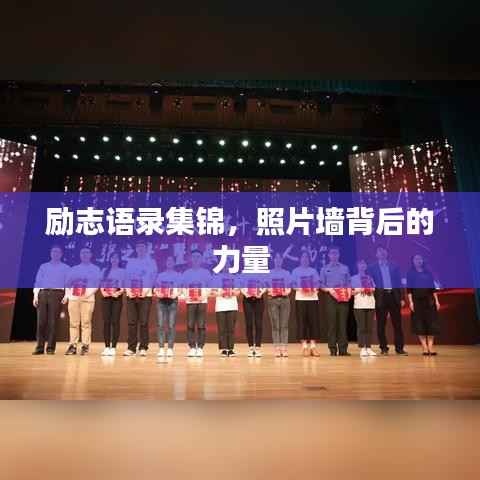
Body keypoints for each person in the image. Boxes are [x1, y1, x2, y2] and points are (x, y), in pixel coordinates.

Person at [368, 246, 408, 355]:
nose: (382, 253)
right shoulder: (371, 268)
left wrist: (402, 298)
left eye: (383, 251)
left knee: (397, 324)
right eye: (379, 251)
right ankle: (383, 348)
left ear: (387, 253)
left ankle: (399, 348)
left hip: (394, 297)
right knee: (381, 324)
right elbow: (369, 284)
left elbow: (399, 283)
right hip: (381, 297)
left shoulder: (394, 266)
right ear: (376, 254)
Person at [32, 245, 70, 355]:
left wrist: (67, 295)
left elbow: (68, 283)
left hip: (57, 294)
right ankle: (39, 347)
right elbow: (38, 281)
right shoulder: (44, 266)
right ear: (50, 253)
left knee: (53, 322)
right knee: (41, 322)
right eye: (53, 251)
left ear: (61, 254)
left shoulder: (66, 268)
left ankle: (50, 348)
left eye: (57, 252)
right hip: (43, 293)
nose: (55, 253)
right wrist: (35, 295)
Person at [123, 241, 157, 357]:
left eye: (143, 246)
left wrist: (145, 291)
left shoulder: (151, 262)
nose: (140, 249)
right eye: (138, 246)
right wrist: (129, 291)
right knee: (132, 322)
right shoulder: (131, 262)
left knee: (143, 322)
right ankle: (131, 348)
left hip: (145, 295)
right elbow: (127, 278)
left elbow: (152, 279)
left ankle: (143, 347)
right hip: (131, 295)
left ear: (146, 248)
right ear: (136, 249)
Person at [65, 247, 101, 355]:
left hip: (88, 299)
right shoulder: (74, 269)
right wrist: (67, 295)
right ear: (80, 255)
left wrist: (87, 294)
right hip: (74, 299)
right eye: (82, 252)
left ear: (91, 255)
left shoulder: (95, 269)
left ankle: (85, 345)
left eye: (87, 252)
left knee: (86, 323)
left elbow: (96, 285)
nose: (85, 254)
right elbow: (67, 284)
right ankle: (73, 345)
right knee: (73, 323)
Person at [320, 246, 352, 356]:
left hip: (343, 297)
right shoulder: (324, 269)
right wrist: (330, 290)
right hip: (331, 298)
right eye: (332, 253)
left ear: (339, 255)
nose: (334, 255)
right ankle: (332, 349)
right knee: (332, 324)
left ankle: (343, 349)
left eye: (336, 253)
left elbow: (349, 283)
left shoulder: (345, 268)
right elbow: (321, 284)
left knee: (342, 324)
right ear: (329, 255)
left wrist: (348, 292)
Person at [407, 254, 441, 355]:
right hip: (417, 302)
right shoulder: (410, 274)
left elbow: (433, 288)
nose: (418, 260)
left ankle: (431, 347)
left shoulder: (428, 272)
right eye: (416, 259)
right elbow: (409, 290)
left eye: (420, 259)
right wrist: (411, 302)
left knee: (431, 324)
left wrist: (437, 301)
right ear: (413, 261)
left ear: (423, 260)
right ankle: (424, 347)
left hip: (429, 301)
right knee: (419, 324)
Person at [181, 249, 212, 358]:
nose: (196, 259)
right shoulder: (186, 273)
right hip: (190, 301)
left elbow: (210, 287)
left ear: (201, 259)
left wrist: (204, 296)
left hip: (202, 301)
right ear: (191, 259)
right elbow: (183, 287)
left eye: (198, 257)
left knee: (201, 325)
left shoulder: (206, 272)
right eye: (194, 256)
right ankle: (192, 347)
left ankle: (200, 348)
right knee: (190, 325)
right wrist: (187, 296)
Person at [291, 251, 320, 357]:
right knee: (301, 323)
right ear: (300, 259)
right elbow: (293, 285)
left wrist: (313, 289)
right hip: (300, 299)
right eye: (303, 257)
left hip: (313, 299)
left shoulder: (313, 271)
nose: (305, 259)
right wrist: (301, 289)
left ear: (309, 259)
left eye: (307, 257)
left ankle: (313, 347)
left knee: (314, 323)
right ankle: (304, 347)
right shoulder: (295, 271)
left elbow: (318, 283)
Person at [153, 255, 182, 357]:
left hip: (173, 301)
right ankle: (161, 348)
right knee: (160, 325)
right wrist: (158, 293)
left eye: (171, 260)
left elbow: (180, 289)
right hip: (161, 301)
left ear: (174, 262)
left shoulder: (178, 275)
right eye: (168, 260)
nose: (169, 262)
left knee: (171, 325)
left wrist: (176, 294)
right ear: (165, 263)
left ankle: (170, 348)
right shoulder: (160, 275)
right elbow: (155, 288)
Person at [266, 252, 292, 357]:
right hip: (273, 300)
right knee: (275, 325)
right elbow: (266, 286)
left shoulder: (286, 273)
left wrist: (287, 292)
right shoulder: (269, 273)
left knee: (284, 325)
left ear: (282, 260)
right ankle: (277, 348)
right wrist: (270, 291)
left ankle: (284, 348)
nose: (278, 260)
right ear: (274, 260)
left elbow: (289, 286)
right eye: (276, 258)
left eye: (280, 259)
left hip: (285, 299)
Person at [100, 252, 125, 357]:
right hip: (106, 298)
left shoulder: (122, 271)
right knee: (106, 322)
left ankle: (113, 347)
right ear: (110, 259)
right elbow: (101, 285)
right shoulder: (105, 271)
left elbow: (123, 286)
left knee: (115, 322)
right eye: (112, 258)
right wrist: (103, 292)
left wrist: (118, 293)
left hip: (116, 299)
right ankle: (106, 347)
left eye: (116, 258)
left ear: (119, 260)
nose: (114, 260)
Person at [351, 259, 377, 357]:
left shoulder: (370, 277)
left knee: (369, 327)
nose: (362, 265)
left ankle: (369, 348)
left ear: (366, 266)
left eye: (364, 264)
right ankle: (362, 348)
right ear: (357, 266)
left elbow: (374, 289)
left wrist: (370, 289)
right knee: (361, 327)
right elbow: (351, 292)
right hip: (359, 305)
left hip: (370, 304)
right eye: (360, 264)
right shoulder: (353, 278)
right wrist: (360, 289)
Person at [214, 271, 240, 357]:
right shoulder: (216, 277)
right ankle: (224, 349)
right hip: (220, 306)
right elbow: (213, 292)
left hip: (232, 306)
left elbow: (238, 292)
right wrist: (220, 293)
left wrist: (232, 292)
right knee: (222, 329)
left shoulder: (234, 277)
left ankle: (231, 349)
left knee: (231, 329)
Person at [241, 279, 265, 357]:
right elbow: (241, 284)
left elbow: (265, 284)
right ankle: (251, 347)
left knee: (259, 324)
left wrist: (260, 292)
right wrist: (246, 293)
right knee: (249, 323)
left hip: (259, 299)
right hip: (247, 299)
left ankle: (257, 347)